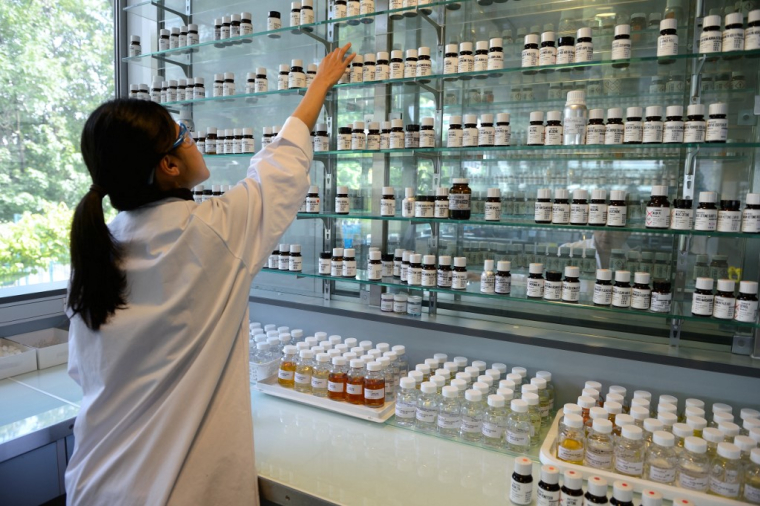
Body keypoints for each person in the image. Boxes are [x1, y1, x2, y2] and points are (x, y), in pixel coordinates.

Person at [64, 44, 355, 505]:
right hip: (178, 490)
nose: (192, 138)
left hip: (98, 482)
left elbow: (84, 371)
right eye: (183, 134)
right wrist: (319, 84)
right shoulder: (213, 232)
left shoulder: (97, 249)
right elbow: (280, 169)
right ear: (170, 166)